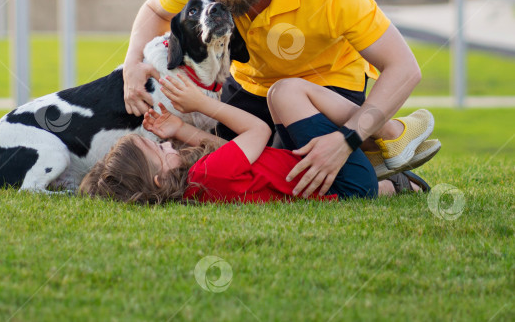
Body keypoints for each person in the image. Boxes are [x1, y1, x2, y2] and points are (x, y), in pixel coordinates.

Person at [121, 0, 431, 198]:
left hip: (325, 87)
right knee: (256, 169)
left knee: (308, 166)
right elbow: (155, 11)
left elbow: (404, 68)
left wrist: (346, 139)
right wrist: (133, 64)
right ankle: (369, 156)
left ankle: (377, 137)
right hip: (250, 83)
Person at [79, 73, 435, 204]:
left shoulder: (199, 186)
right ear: (157, 177)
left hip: (341, 187)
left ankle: (394, 185)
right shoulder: (207, 176)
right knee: (283, 93)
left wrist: (179, 130)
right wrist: (205, 105)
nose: (164, 144)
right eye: (157, 149)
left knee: (283, 103)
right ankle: (391, 133)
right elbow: (258, 133)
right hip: (341, 177)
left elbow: (233, 153)